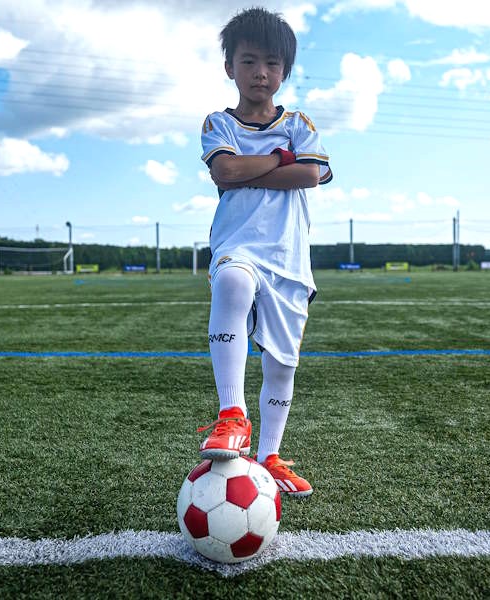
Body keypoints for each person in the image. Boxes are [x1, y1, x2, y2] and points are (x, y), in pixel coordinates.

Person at [197, 7, 332, 498]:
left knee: (282, 364)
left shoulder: (299, 121)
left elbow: (312, 175)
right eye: (249, 61)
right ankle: (232, 414)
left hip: (290, 257)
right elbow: (224, 173)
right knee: (232, 281)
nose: (261, 73)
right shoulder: (218, 122)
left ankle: (269, 456)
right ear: (230, 66)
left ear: (285, 71)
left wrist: (254, 167)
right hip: (238, 246)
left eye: (272, 63)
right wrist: (282, 157)